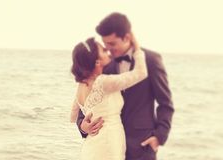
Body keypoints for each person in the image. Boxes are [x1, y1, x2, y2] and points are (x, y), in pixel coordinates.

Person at [74, 13, 174, 160]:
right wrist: (83, 126)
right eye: (105, 44)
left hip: (142, 145)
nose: (108, 49)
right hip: (107, 146)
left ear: (127, 38)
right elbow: (87, 101)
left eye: (112, 44)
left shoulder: (151, 60)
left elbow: (165, 103)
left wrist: (159, 137)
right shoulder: (102, 64)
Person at [70, 32, 147, 160]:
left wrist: (85, 125)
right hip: (109, 142)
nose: (108, 52)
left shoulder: (81, 85)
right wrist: (136, 46)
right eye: (104, 51)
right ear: (97, 62)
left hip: (93, 145)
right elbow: (141, 72)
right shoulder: (103, 82)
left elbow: (72, 115)